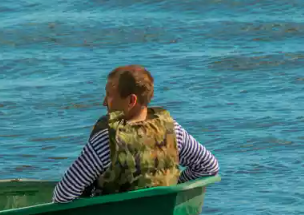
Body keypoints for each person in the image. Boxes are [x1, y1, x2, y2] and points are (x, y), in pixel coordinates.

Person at [53, 65, 219, 203]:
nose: (104, 102)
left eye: (110, 95)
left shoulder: (105, 141)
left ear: (131, 100)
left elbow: (63, 194)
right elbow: (209, 166)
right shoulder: (174, 131)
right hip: (161, 208)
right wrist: (175, 189)